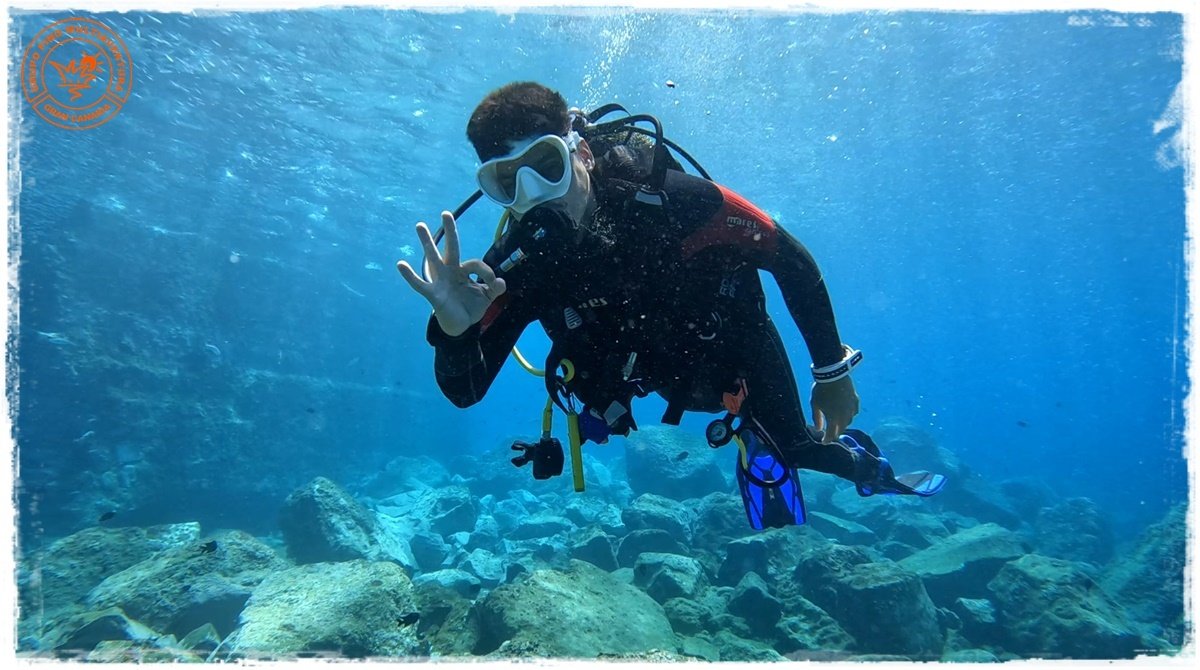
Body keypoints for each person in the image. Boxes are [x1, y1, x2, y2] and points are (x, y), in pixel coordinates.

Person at [398, 82, 944, 529]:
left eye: (547, 164)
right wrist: (454, 330)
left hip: (731, 349)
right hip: (644, 374)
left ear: (580, 152)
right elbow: (465, 391)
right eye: (506, 181)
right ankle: (752, 431)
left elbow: (789, 257)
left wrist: (831, 372)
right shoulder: (513, 267)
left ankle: (866, 467)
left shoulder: (676, 202)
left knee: (799, 448)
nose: (534, 193)